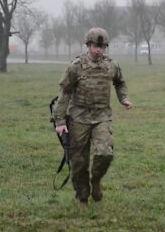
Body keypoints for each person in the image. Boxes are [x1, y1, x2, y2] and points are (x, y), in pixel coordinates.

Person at [53, 27, 133, 204]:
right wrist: (59, 120)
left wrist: (124, 99)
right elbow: (65, 93)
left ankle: (95, 180)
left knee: (105, 153)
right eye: (95, 46)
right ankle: (82, 197)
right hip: (78, 118)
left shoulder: (111, 65)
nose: (98, 50)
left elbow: (120, 83)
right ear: (88, 45)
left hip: (102, 117)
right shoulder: (76, 66)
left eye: (102, 46)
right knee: (79, 162)